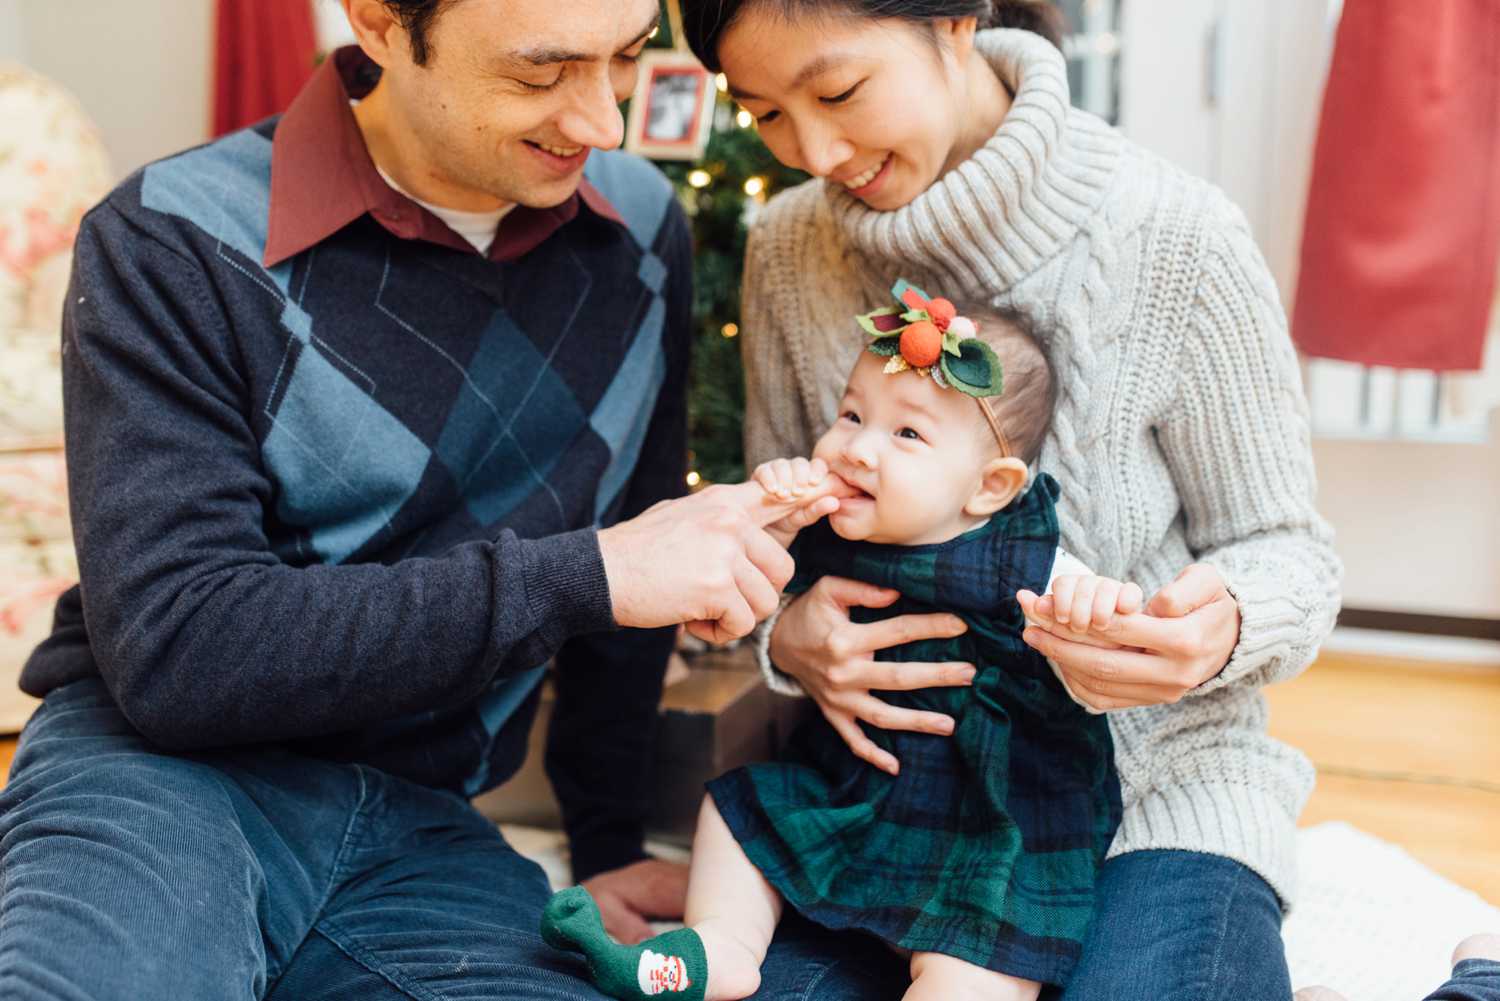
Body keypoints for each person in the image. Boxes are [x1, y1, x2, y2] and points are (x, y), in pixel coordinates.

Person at [0, 1, 842, 996]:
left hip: (426, 828)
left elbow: (630, 579)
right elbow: (180, 651)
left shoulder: (642, 236)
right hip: (158, 779)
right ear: (380, 22)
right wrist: (591, 571)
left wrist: (607, 841)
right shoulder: (173, 238)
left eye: (624, 57)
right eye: (541, 72)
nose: (603, 123)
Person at [680, 1, 1344, 998]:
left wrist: (1221, 626)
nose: (812, 148)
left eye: (839, 90)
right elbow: (787, 523)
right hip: (885, 798)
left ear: (955, 21)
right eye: (766, 113)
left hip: (1156, 792)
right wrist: (787, 631)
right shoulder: (787, 248)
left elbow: (1289, 549)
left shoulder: (1177, 236)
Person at [542, 288, 1141, 1001]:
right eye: (852, 414)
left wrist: (1096, 609)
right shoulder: (829, 526)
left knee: (980, 966)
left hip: (983, 828)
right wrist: (772, 520)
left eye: (907, 435)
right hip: (851, 795)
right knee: (739, 814)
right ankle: (721, 944)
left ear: (990, 487)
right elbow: (737, 605)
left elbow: (1106, 649)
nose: (855, 448)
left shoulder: (1025, 560)